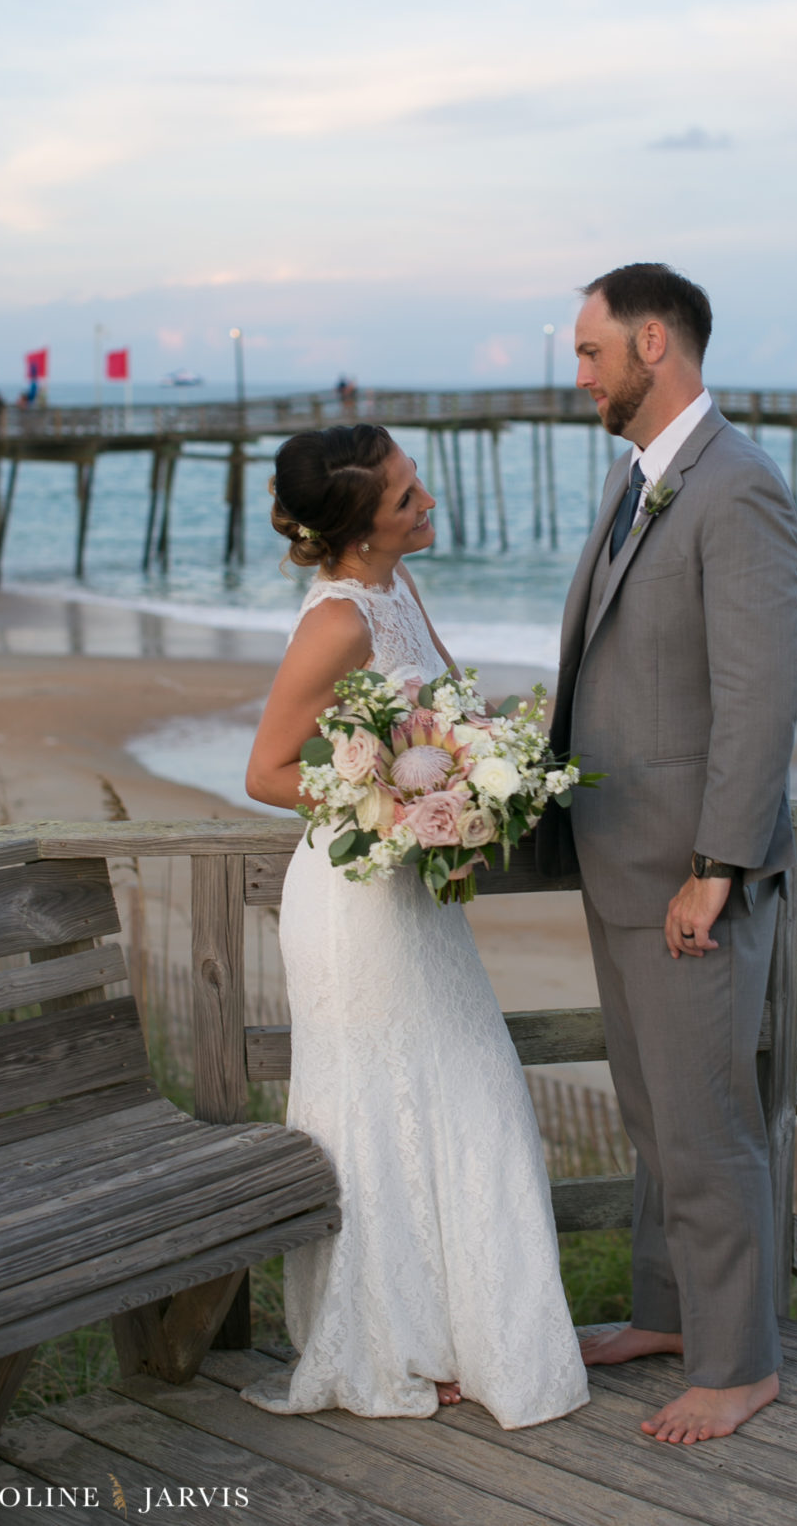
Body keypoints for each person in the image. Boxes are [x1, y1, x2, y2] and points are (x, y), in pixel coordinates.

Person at [240, 423, 588, 1428]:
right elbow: (266, 770)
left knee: (464, 1087)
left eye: (416, 483)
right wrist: (389, 805)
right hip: (353, 906)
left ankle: (459, 1337)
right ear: (357, 529)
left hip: (412, 900)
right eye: (403, 498)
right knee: (378, 1112)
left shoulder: (399, 589)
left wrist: (482, 779)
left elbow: (433, 718)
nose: (425, 501)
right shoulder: (338, 622)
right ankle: (387, 1345)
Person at [537, 263, 797, 1444]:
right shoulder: (634, 477)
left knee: (706, 1122)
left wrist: (719, 864)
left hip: (688, 874)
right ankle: (665, 1311)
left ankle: (739, 1362)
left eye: (591, 352)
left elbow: (758, 698)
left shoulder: (735, 487)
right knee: (651, 1114)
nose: (579, 373)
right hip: (615, 856)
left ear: (654, 344)